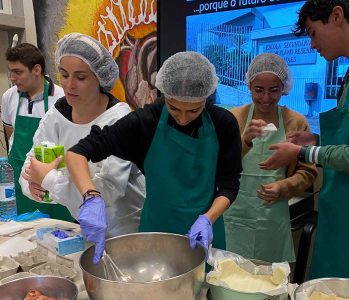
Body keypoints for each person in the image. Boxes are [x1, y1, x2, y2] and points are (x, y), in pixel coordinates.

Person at [65, 51, 243, 264]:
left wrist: (207, 219)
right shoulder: (147, 121)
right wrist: (91, 197)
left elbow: (229, 184)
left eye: (194, 110)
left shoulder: (223, 124)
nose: (183, 119)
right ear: (164, 94)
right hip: (156, 231)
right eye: (174, 108)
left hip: (203, 231)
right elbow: (77, 152)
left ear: (206, 98)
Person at [258, 0, 349, 283]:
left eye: (313, 33)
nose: (312, 45)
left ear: (337, 16)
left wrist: (304, 151)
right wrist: (317, 139)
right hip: (344, 212)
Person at [19, 33, 146, 238]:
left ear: (100, 78)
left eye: (80, 77)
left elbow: (109, 190)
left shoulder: (118, 120)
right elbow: (31, 163)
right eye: (64, 75)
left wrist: (49, 179)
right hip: (83, 224)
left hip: (126, 227)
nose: (69, 85)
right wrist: (32, 184)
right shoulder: (56, 116)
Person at [224, 53, 317, 263]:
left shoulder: (297, 121)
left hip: (273, 216)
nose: (266, 98)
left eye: (274, 90)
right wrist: (244, 140)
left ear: (283, 87)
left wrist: (283, 187)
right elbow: (220, 164)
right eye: (259, 90)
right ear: (248, 85)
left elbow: (309, 171)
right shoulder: (233, 117)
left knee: (270, 280)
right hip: (235, 215)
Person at [2, 43, 72, 220]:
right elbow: (10, 133)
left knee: (59, 230)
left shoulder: (63, 99)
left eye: (18, 72)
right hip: (20, 173)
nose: (12, 77)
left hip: (54, 175)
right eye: (11, 71)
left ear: (36, 69)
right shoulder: (9, 97)